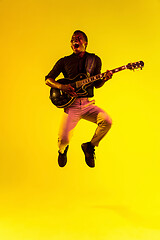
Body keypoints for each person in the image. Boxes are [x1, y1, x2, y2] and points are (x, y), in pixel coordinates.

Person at [45, 30, 113, 168]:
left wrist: (104, 79)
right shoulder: (64, 61)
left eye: (78, 38)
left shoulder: (94, 60)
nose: (74, 40)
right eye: (72, 39)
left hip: (88, 104)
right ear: (71, 45)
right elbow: (48, 79)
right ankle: (62, 151)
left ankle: (89, 147)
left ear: (85, 42)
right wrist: (61, 87)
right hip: (72, 106)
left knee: (107, 121)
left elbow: (97, 84)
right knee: (63, 139)